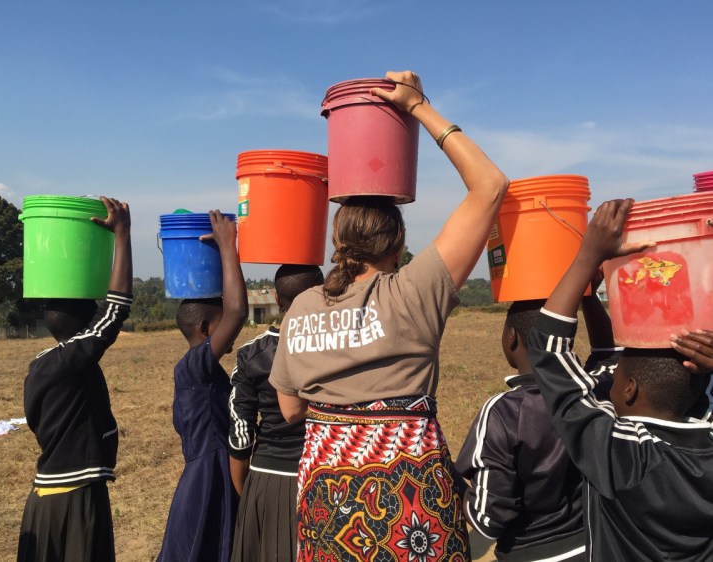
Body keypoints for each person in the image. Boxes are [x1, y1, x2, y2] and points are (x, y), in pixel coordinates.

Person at [269, 70, 510, 562]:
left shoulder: (301, 309)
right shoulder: (412, 294)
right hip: (410, 514)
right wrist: (418, 107)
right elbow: (490, 186)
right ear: (398, 243)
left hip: (327, 513)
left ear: (339, 242)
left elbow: (291, 410)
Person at [527, 198, 713, 561]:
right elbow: (550, 352)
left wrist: (587, 256)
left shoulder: (624, 456)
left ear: (630, 390)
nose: (606, 382)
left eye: (613, 377)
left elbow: (548, 352)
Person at [455, 290, 619, 562]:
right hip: (592, 545)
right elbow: (607, 354)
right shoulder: (593, 394)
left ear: (511, 337)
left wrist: (452, 483)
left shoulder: (501, 412)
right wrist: (587, 295)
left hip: (528, 553)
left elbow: (487, 520)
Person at [17, 196, 133, 562]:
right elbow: (116, 311)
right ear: (85, 328)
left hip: (45, 499)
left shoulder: (42, 366)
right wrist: (123, 235)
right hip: (75, 496)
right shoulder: (69, 362)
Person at [157, 210, 248, 562]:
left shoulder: (201, 373)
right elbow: (238, 311)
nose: (232, 329)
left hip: (211, 477)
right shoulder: (194, 367)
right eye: (223, 323)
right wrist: (228, 247)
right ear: (207, 329)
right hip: (206, 484)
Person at [228, 264, 325, 562]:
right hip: (326, 477)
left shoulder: (251, 354)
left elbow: (240, 436)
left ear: (278, 300)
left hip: (267, 480)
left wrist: (249, 496)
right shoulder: (337, 346)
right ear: (323, 296)